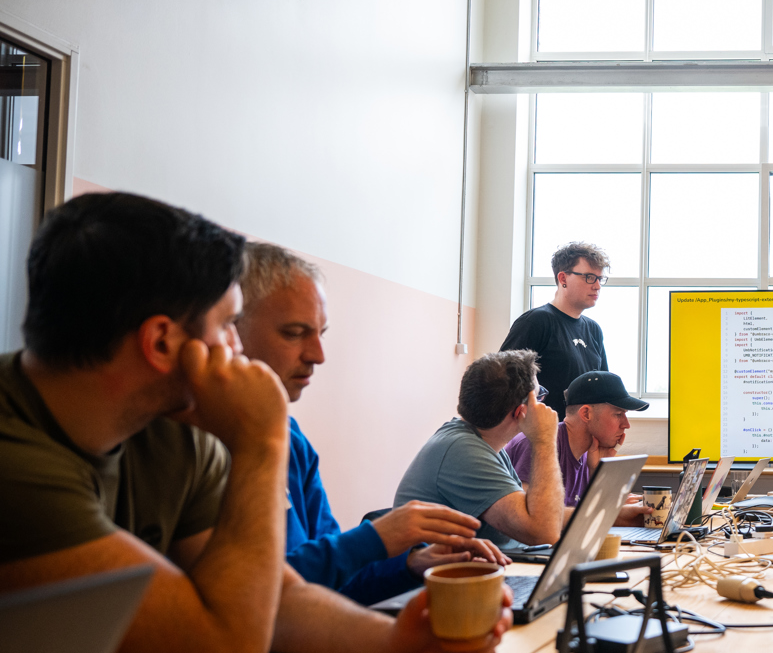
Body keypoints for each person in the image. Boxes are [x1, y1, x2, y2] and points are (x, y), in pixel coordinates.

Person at [0, 192, 510, 653]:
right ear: (161, 344)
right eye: (226, 325)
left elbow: (276, 597)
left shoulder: (175, 427)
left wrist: (398, 644)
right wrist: (263, 441)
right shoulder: (16, 466)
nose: (237, 348)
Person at [236, 242, 508, 606]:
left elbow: (332, 580)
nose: (318, 355)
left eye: (320, 333)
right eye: (293, 333)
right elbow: (265, 591)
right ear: (228, 331)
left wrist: (413, 563)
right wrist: (375, 539)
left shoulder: (292, 438)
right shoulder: (201, 446)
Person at [393, 350, 564, 548]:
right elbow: (544, 532)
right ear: (521, 411)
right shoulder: (462, 451)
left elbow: (533, 511)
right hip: (439, 577)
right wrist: (544, 440)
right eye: (539, 395)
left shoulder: (485, 443)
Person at [505, 370, 647, 506]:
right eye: (618, 414)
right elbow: (532, 523)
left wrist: (597, 471)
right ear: (586, 414)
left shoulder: (589, 454)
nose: (626, 425)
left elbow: (585, 520)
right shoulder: (537, 442)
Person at [499, 242, 610, 416]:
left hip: (580, 437)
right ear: (563, 278)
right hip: (542, 436)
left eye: (600, 279)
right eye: (589, 277)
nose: (597, 286)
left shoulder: (594, 329)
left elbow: (603, 387)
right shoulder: (536, 322)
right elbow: (504, 381)